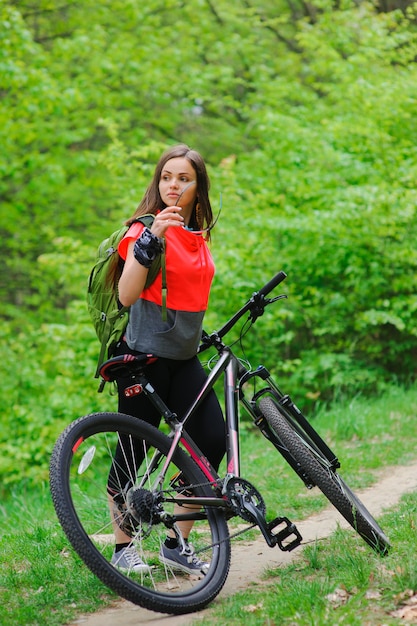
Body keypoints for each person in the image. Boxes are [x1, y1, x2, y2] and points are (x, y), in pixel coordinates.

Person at [107, 144, 226, 575]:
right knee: (134, 447)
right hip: (142, 357)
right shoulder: (142, 229)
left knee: (211, 443)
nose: (173, 185)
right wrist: (152, 237)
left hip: (185, 356)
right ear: (158, 183)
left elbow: (190, 293)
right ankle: (123, 547)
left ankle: (177, 541)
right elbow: (126, 294)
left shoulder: (199, 235)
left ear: (198, 188)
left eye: (184, 179)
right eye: (167, 177)